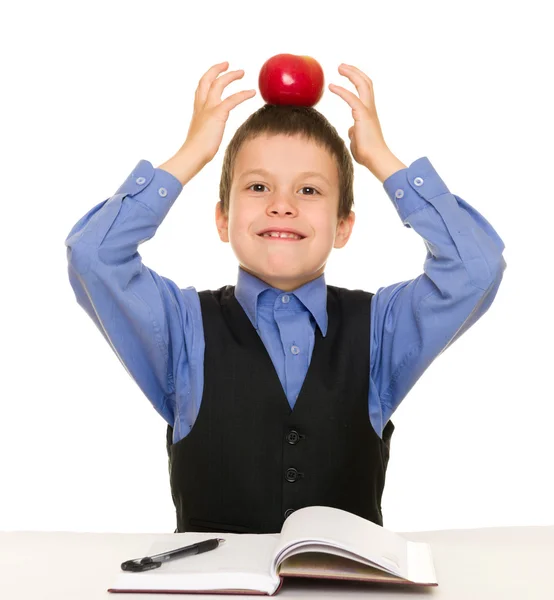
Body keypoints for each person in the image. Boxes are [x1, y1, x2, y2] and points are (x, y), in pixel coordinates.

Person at [65, 61, 507, 534]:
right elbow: (94, 256)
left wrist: (381, 158)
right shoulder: (181, 326)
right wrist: (192, 154)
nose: (283, 204)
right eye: (258, 187)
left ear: (343, 227)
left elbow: (474, 270)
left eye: (309, 190)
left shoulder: (381, 328)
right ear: (222, 219)